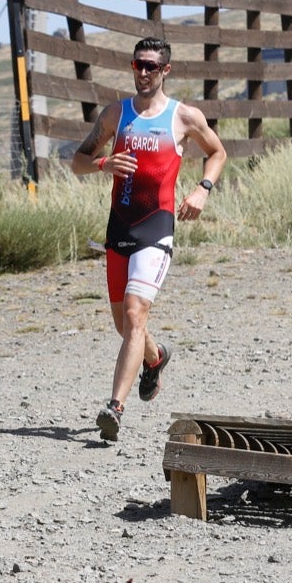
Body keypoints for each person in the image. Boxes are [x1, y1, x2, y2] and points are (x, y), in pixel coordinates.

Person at [70, 37, 227, 441]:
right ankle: (155, 359)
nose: (143, 72)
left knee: (137, 314)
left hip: (156, 227)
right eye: (138, 65)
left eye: (151, 67)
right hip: (119, 226)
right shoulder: (115, 114)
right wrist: (104, 163)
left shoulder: (184, 116)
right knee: (125, 325)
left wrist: (202, 189)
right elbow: (78, 162)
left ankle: (114, 408)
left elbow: (218, 152)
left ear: (165, 71)